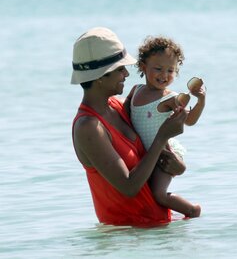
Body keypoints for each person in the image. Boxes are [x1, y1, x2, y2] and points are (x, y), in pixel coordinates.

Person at [71, 27, 188, 227]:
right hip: (127, 237)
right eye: (119, 69)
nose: (126, 73)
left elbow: (148, 156)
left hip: (156, 230)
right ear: (100, 76)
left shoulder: (118, 106)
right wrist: (162, 137)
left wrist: (177, 166)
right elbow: (129, 186)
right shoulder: (88, 127)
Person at [124, 36, 206, 218]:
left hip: (164, 155)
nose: (164, 75)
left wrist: (199, 100)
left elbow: (190, 120)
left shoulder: (169, 98)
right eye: (158, 69)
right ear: (143, 67)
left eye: (171, 70)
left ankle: (192, 210)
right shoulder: (135, 91)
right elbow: (124, 113)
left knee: (158, 194)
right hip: (147, 154)